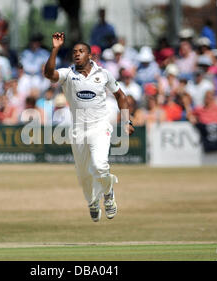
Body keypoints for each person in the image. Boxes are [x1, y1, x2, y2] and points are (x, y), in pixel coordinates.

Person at [44, 32, 134, 222]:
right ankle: (93, 201)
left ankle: (108, 193)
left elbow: (121, 96)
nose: (77, 54)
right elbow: (49, 74)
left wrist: (126, 121)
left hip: (100, 126)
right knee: (84, 175)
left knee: (100, 165)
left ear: (90, 55)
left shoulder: (104, 74)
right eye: (75, 52)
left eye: (81, 51)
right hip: (78, 129)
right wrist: (55, 48)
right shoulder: (68, 74)